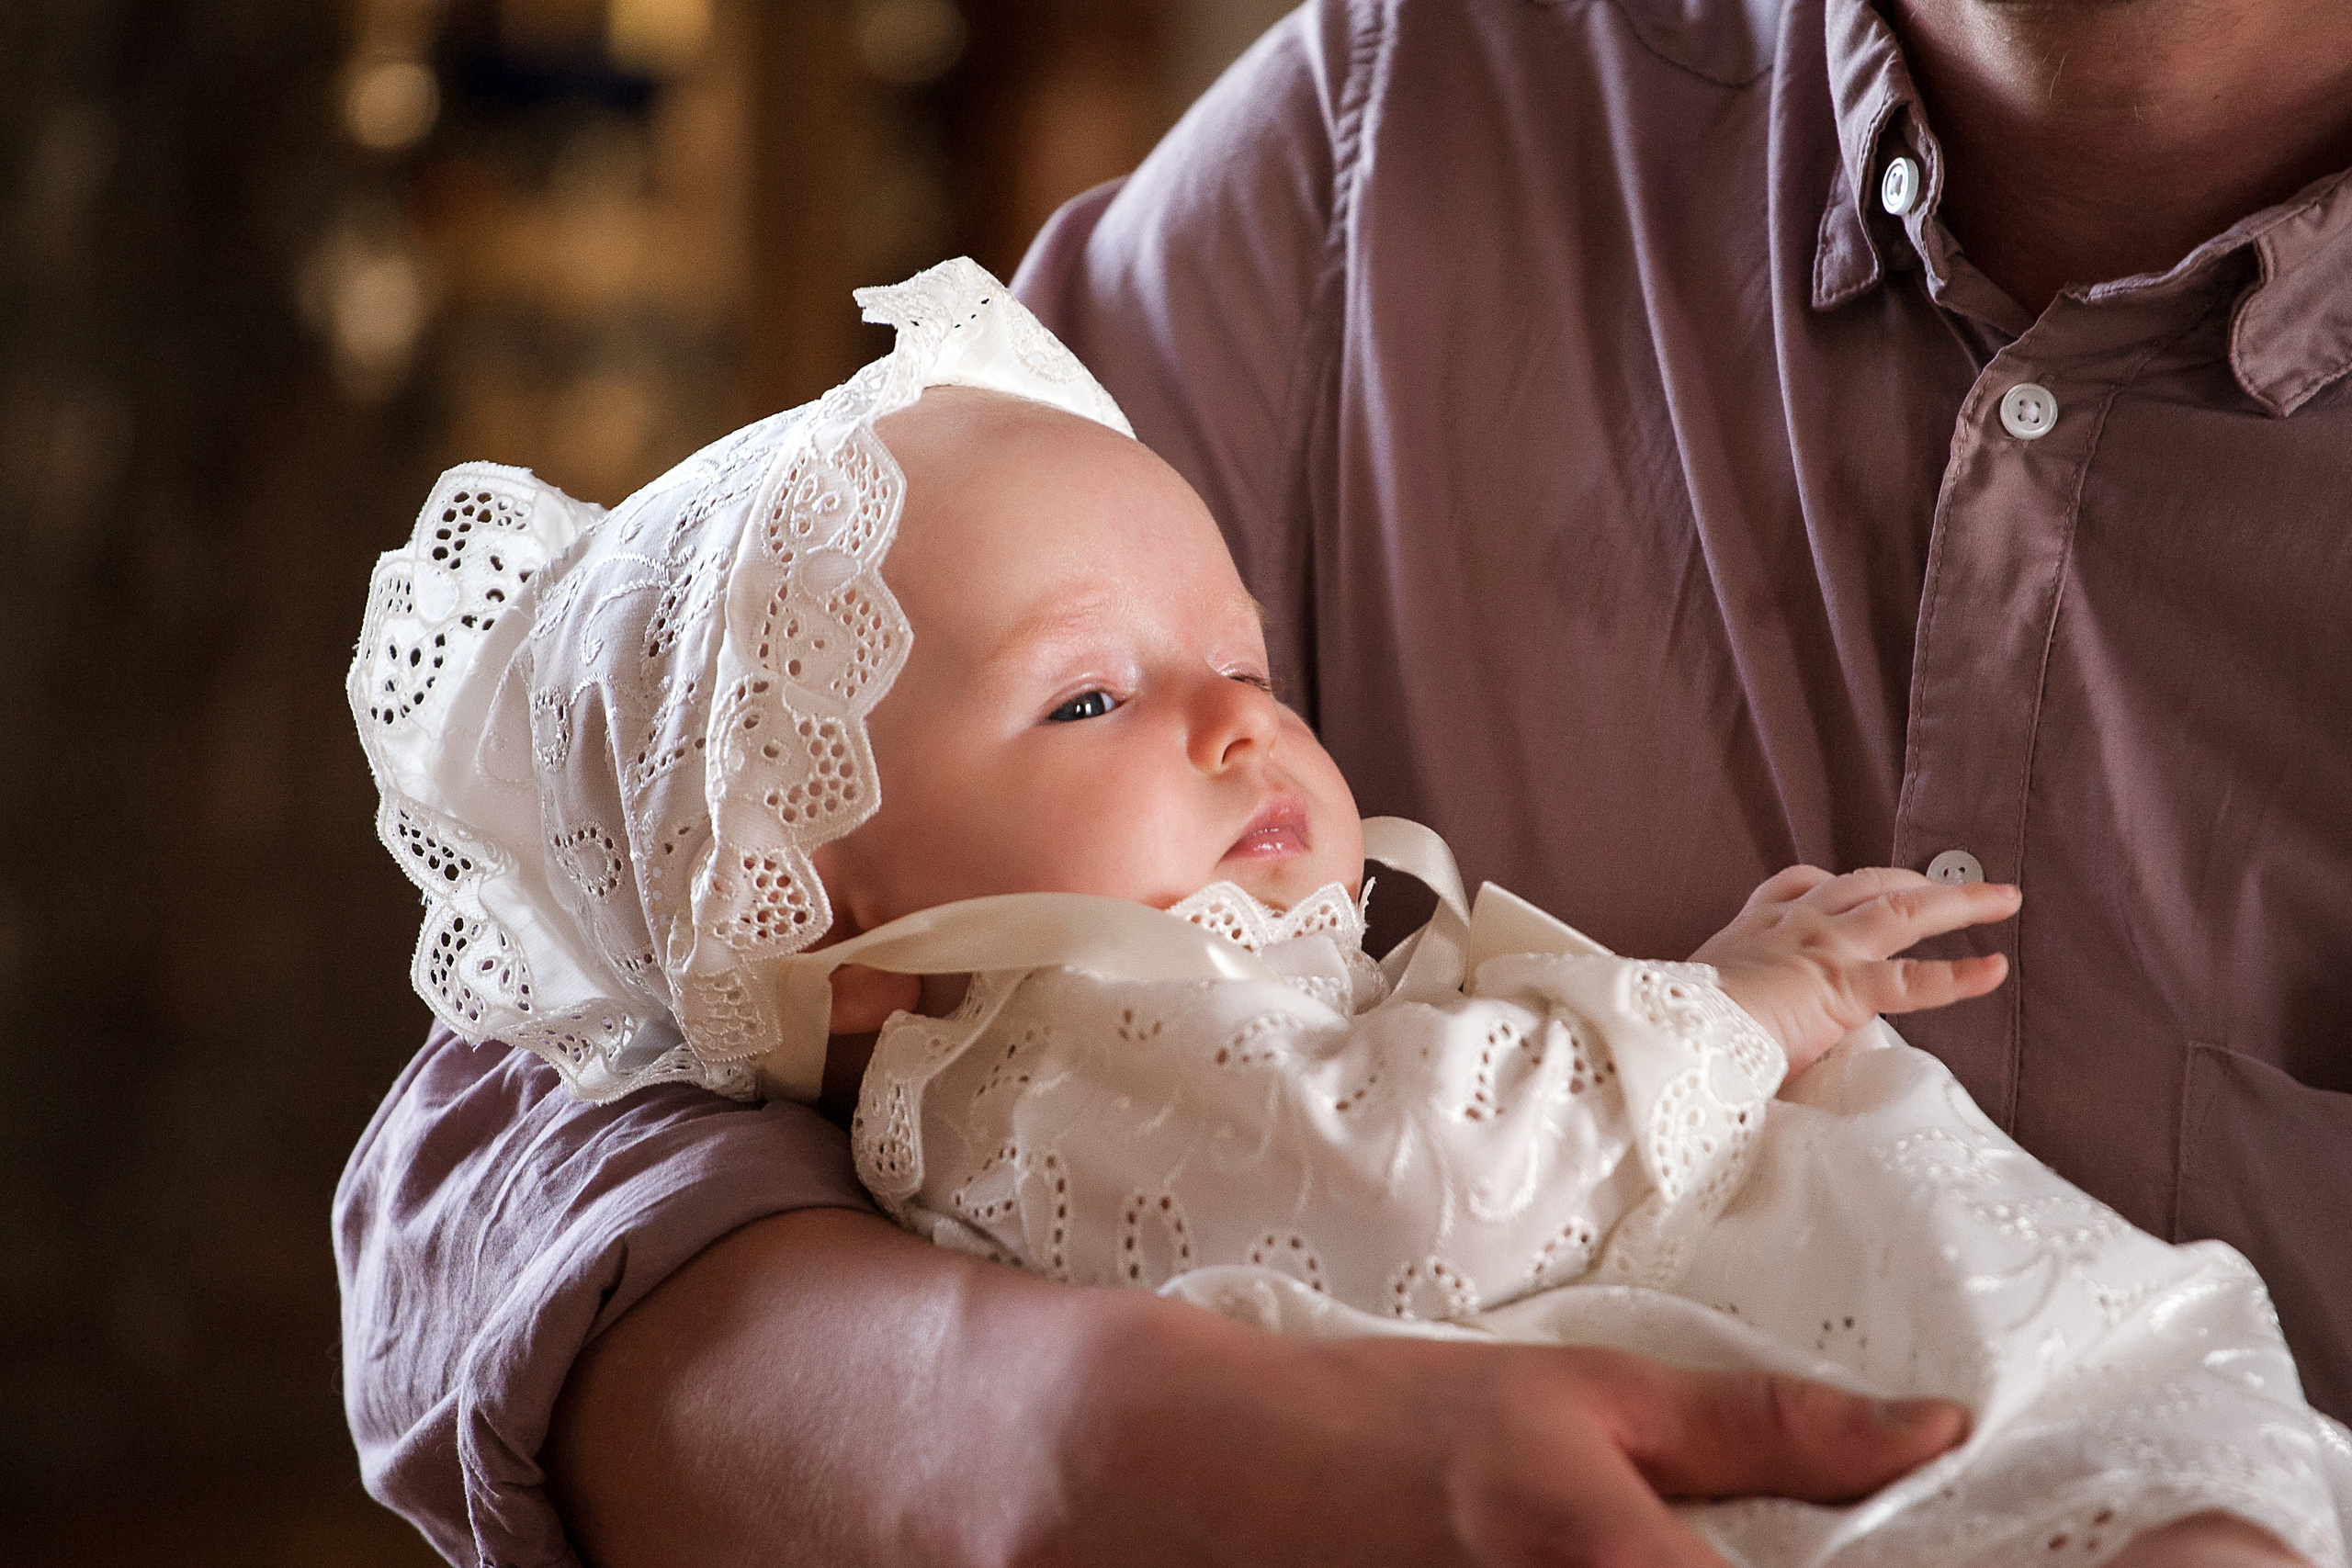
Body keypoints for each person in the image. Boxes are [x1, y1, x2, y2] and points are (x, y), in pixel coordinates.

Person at [335, 0, 2352, 1562]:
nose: (1234, 725)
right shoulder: (1396, 117)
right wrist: (1060, 1444)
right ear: (843, 938)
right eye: (1085, 704)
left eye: (1246, 663)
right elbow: (528, 1092)